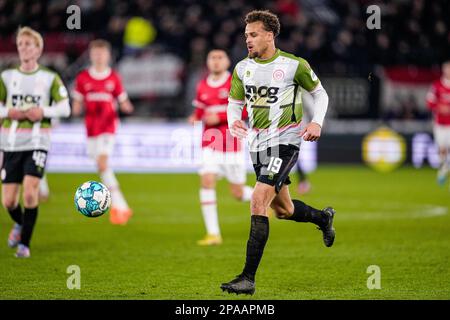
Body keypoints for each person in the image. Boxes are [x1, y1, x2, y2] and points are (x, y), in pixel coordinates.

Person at [221, 10, 336, 295]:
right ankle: (323, 218)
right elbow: (234, 101)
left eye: (254, 34)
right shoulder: (241, 68)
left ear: (270, 35)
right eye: (246, 35)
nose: (248, 40)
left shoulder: (293, 65)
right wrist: (233, 119)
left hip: (285, 143)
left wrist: (316, 122)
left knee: (258, 199)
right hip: (257, 146)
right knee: (284, 210)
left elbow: (320, 94)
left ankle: (247, 278)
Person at [0, 27, 71, 258]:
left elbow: (65, 107)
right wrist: (8, 111)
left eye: (28, 44)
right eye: (20, 44)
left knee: (30, 193)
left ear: (38, 49)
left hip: (38, 142)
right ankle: (20, 225)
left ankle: (25, 245)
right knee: (9, 201)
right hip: (10, 144)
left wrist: (44, 111)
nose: (23, 48)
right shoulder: (7, 77)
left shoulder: (50, 77)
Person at [189, 49, 253, 246]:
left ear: (227, 62)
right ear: (208, 62)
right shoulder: (202, 85)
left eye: (220, 58)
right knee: (207, 180)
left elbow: (244, 109)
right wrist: (195, 117)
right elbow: (200, 109)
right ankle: (213, 234)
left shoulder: (234, 82)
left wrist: (220, 117)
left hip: (231, 142)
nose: (216, 61)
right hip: (209, 142)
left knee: (238, 193)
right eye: (212, 58)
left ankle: (270, 198)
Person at [72, 39, 134, 225]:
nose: (99, 57)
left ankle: (120, 207)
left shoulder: (113, 77)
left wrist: (127, 107)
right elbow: (77, 102)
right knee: (100, 166)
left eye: (102, 53)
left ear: (108, 56)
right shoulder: (83, 77)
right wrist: (74, 109)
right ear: (91, 55)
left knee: (102, 163)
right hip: (91, 128)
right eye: (96, 53)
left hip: (108, 126)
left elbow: (123, 100)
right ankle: (120, 206)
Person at [426, 59, 450, 187]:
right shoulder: (437, 86)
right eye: (447, 68)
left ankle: (444, 171)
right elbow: (429, 102)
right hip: (440, 124)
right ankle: (443, 170)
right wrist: (440, 107)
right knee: (442, 149)